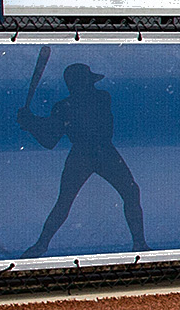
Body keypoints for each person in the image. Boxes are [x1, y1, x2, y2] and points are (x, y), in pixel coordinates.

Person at [19, 62, 143, 253]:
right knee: (64, 201)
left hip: (99, 151)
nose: (92, 85)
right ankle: (41, 244)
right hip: (87, 154)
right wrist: (31, 123)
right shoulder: (66, 107)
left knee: (131, 192)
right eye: (88, 81)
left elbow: (52, 135)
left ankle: (139, 244)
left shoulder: (98, 98)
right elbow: (50, 140)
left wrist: (32, 122)